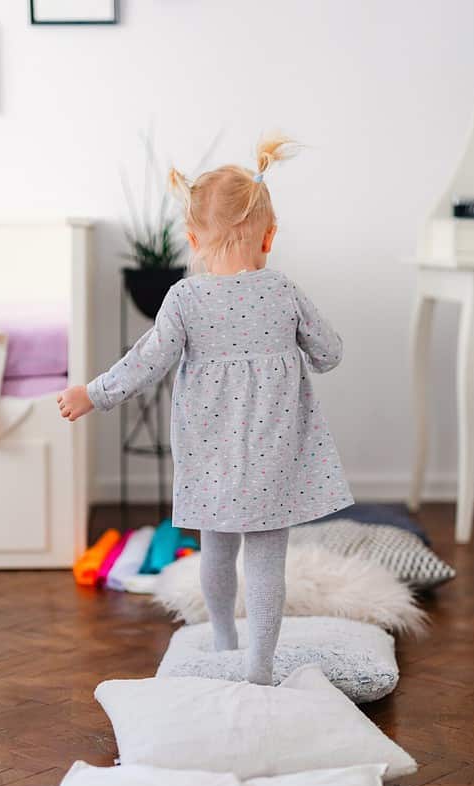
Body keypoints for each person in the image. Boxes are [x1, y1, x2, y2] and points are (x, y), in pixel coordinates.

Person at [57, 135, 353, 684]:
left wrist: (92, 393)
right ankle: (260, 667)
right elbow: (330, 353)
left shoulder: (185, 299)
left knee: (216, 552)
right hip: (274, 454)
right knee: (266, 561)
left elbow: (145, 363)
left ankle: (223, 639)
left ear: (193, 239)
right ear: (269, 236)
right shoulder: (283, 290)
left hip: (210, 455)